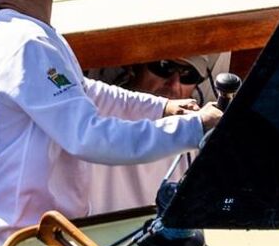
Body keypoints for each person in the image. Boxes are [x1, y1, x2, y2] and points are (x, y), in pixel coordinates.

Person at [0, 0, 221, 246]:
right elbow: (88, 137)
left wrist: (163, 107)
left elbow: (84, 91)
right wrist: (194, 128)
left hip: (45, 238)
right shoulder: (24, 44)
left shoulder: (21, 32)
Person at [82, 54, 226, 215]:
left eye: (188, 74)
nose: (174, 83)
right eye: (164, 66)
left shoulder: (204, 135)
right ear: (134, 67)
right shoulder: (95, 115)